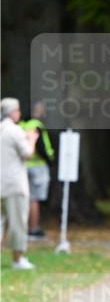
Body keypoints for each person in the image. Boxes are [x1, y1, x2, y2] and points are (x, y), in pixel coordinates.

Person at [1, 97, 38, 269]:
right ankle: (17, 259)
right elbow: (27, 153)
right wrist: (32, 139)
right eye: (18, 111)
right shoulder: (15, 131)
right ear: (13, 112)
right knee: (17, 222)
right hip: (14, 184)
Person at [21, 100, 54, 239]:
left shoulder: (21, 125)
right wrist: (50, 159)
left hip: (23, 166)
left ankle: (22, 227)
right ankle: (33, 228)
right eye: (42, 109)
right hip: (37, 166)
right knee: (34, 198)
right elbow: (40, 147)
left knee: (24, 198)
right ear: (37, 110)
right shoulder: (36, 126)